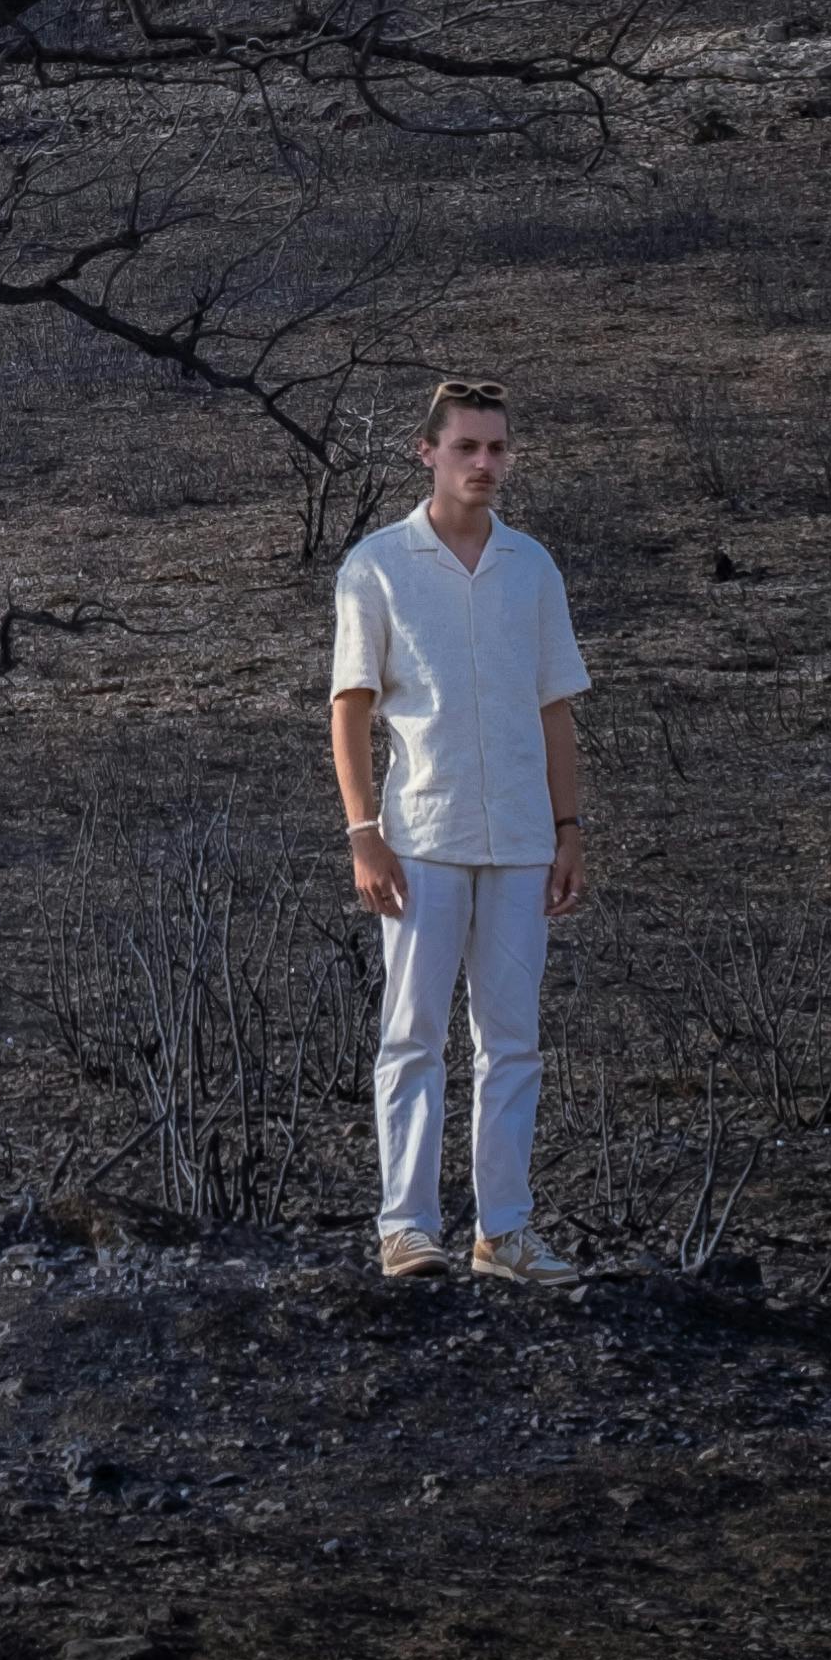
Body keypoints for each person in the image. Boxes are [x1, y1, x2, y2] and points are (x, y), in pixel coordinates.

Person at [327, 377, 592, 1286]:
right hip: (421, 839)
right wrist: (365, 832)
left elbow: (555, 710)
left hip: (520, 840)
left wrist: (569, 829)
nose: (485, 463)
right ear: (427, 451)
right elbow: (350, 707)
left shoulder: (532, 567)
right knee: (412, 1035)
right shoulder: (378, 565)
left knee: (512, 1040)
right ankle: (407, 1227)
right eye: (468, 446)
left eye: (498, 448)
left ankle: (504, 1233)